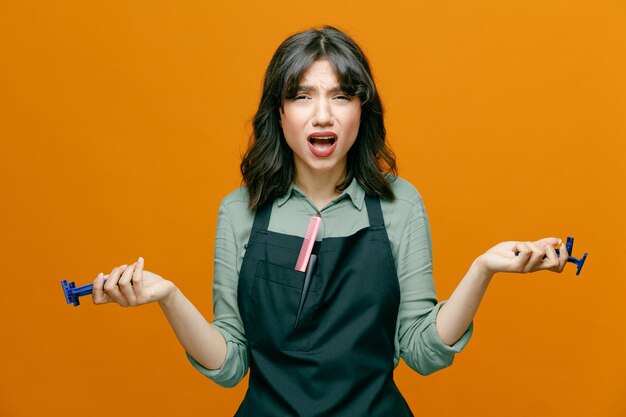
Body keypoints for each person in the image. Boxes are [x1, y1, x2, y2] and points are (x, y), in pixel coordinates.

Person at [92, 26, 568, 417]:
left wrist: (481, 270)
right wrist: (168, 298)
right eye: (302, 96)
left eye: (341, 96)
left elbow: (421, 352)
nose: (322, 115)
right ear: (279, 113)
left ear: (362, 109)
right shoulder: (238, 211)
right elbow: (231, 363)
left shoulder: (401, 204)